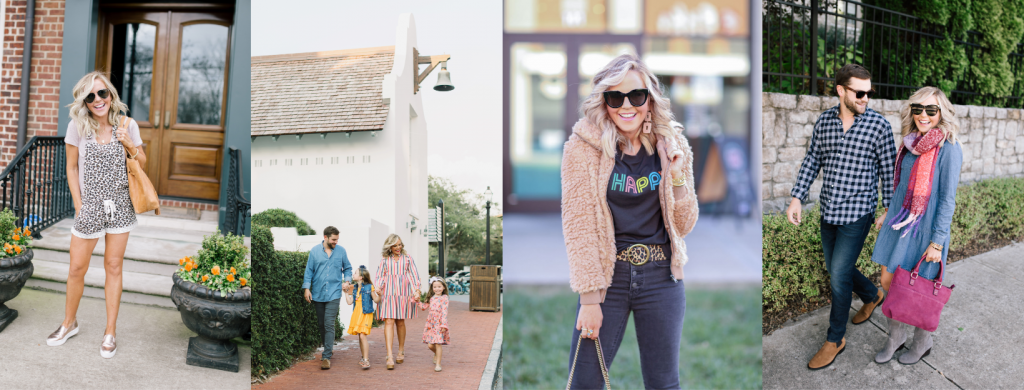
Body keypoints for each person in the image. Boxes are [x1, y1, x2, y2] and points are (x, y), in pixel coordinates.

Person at [560, 54, 698, 389]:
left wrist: (676, 176)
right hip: (610, 279)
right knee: (585, 383)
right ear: (603, 101)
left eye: (636, 96)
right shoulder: (582, 149)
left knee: (664, 384)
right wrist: (590, 300)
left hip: (662, 277)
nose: (626, 105)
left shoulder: (671, 143)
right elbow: (579, 228)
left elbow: (683, 225)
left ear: (649, 99)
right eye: (614, 96)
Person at [786, 63, 898, 370]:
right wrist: (797, 197)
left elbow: (889, 172)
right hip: (829, 210)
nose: (865, 98)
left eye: (868, 93)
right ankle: (872, 294)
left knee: (838, 276)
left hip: (858, 212)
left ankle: (835, 339)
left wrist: (888, 209)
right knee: (839, 270)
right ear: (841, 91)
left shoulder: (879, 126)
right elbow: (812, 160)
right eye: (859, 92)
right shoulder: (824, 122)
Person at [48, 71, 147, 359]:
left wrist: (128, 142)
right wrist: (79, 205)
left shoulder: (127, 124)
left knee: (113, 267)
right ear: (85, 101)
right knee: (76, 268)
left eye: (102, 93)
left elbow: (142, 162)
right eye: (91, 96)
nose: (97, 100)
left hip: (120, 206)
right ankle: (69, 323)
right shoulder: (77, 126)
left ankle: (110, 331)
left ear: (111, 95)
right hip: (88, 206)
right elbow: (71, 168)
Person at [871, 86, 962, 365]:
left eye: (931, 110)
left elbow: (947, 199)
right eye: (918, 109)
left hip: (925, 232)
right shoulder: (910, 142)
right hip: (899, 224)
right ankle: (896, 338)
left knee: (920, 287)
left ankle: (922, 341)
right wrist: (889, 212)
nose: (924, 115)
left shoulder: (949, 148)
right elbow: (900, 187)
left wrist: (937, 241)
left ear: (941, 112)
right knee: (888, 281)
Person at [302, 226, 353, 370]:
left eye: (337, 239)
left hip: (334, 293)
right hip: (318, 293)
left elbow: (347, 268)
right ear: (325, 237)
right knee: (321, 324)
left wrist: (347, 281)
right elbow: (309, 271)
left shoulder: (341, 251)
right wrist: (307, 288)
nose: (336, 242)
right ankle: (328, 348)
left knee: (329, 323)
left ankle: (326, 356)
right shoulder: (314, 251)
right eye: (333, 239)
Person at [375, 234, 421, 370]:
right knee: (388, 321)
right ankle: (389, 355)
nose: (398, 247)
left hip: (403, 292)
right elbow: (380, 275)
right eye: (395, 245)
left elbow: (413, 275)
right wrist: (378, 286)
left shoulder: (407, 258)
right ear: (389, 246)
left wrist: (417, 290)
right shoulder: (384, 259)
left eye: (400, 244)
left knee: (400, 322)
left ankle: (401, 350)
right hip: (388, 292)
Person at [346, 265, 381, 369]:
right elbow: (349, 302)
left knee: (362, 336)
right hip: (357, 314)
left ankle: (366, 360)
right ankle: (363, 357)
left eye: (355, 273)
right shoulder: (355, 288)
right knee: (360, 337)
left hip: (366, 314)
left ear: (361, 277)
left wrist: (380, 295)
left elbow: (376, 300)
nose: (353, 274)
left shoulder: (370, 287)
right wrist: (345, 293)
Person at [414, 276, 450, 372]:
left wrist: (443, 325)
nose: (437, 289)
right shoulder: (431, 298)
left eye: (439, 286)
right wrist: (417, 301)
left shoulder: (444, 298)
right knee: (430, 345)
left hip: (440, 323)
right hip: (431, 324)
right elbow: (423, 307)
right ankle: (436, 354)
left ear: (443, 288)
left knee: (438, 343)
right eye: (435, 287)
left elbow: (444, 312)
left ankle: (438, 364)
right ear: (432, 288)